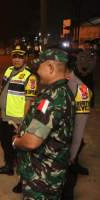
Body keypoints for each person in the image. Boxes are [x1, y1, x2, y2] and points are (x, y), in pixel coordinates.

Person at [14, 48, 75, 199]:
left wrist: (16, 141)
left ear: (50, 67)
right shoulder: (63, 91)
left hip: (41, 178)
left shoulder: (52, 98)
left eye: (39, 67)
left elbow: (32, 142)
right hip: (49, 174)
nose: (37, 72)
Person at [0, 45, 37, 175]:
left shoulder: (30, 76)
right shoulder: (8, 70)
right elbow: (2, 91)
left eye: (20, 57)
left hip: (17, 119)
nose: (17, 59)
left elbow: (29, 101)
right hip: (5, 116)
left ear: (25, 58)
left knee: (19, 147)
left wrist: (23, 122)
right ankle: (9, 166)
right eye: (15, 56)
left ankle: (22, 177)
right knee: (4, 141)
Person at [61, 54, 92, 200]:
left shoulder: (81, 91)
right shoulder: (61, 83)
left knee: (69, 177)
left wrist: (71, 156)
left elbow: (79, 129)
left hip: (71, 144)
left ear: (66, 69)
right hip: (61, 143)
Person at [75, 40, 97, 107]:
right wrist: (81, 71)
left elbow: (93, 64)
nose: (86, 47)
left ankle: (91, 104)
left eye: (88, 45)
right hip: (81, 72)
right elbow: (78, 63)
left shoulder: (92, 54)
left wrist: (87, 72)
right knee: (82, 88)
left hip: (89, 73)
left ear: (90, 46)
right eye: (85, 45)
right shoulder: (80, 54)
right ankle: (82, 104)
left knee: (90, 88)